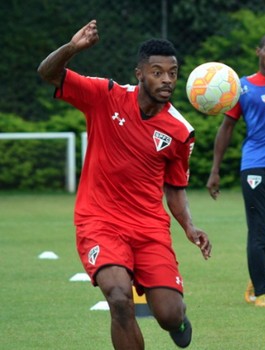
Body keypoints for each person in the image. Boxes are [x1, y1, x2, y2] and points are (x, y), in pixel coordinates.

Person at [38, 20, 212, 349]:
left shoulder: (180, 131)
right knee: (119, 299)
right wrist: (72, 48)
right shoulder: (105, 96)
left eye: (172, 73)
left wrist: (189, 226)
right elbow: (47, 73)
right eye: (157, 72)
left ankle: (178, 319)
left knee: (168, 314)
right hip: (99, 220)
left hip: (149, 228)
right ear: (139, 73)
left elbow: (175, 187)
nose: (166, 80)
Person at [206, 34, 265, 307]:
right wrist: (215, 170)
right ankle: (261, 292)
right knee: (258, 230)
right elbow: (226, 129)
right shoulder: (241, 88)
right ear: (258, 51)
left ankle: (256, 277)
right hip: (255, 165)